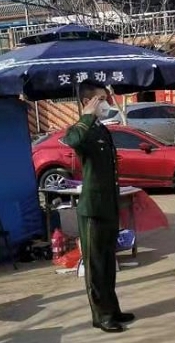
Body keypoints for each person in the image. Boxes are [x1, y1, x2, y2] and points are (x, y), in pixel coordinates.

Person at [64, 80, 135, 333]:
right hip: (92, 209)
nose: (106, 104)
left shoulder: (101, 129)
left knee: (107, 262)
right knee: (95, 266)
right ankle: (101, 316)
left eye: (106, 99)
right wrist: (86, 116)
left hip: (108, 205)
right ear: (87, 102)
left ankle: (112, 309)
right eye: (101, 100)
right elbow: (72, 140)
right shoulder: (82, 129)